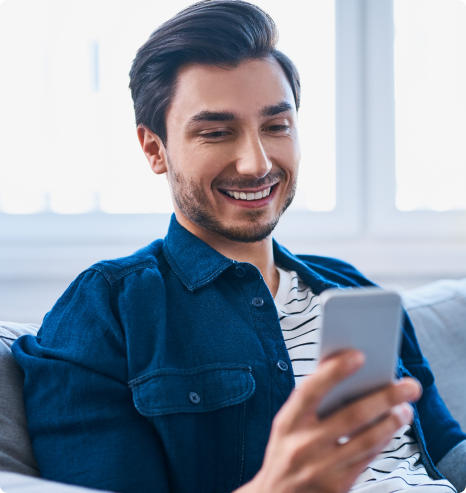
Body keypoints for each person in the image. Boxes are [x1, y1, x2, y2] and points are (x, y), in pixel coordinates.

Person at [12, 2, 466, 492]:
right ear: (153, 149)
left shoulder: (349, 287)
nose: (256, 163)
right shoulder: (107, 311)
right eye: (216, 133)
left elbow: (446, 452)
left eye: (276, 127)